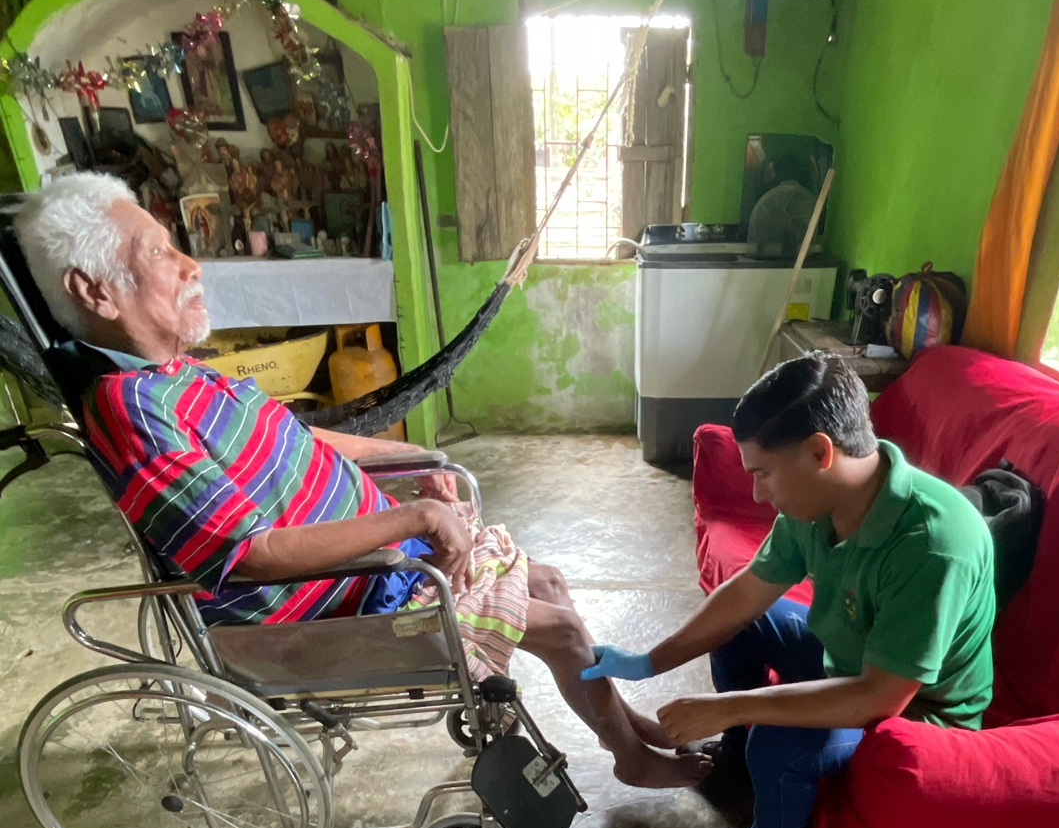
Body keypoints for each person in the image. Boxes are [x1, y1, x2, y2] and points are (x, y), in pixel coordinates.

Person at [16, 172, 703, 790]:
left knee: (548, 584)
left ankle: (626, 725)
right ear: (94, 290)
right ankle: (630, 758)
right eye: (160, 252)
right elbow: (247, 555)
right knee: (561, 628)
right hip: (338, 611)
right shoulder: (132, 408)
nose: (190, 265)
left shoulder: (176, 373)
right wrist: (412, 519)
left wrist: (416, 461)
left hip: (386, 571)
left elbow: (299, 437)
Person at [583, 352, 997, 828]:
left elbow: (879, 697)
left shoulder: (931, 544)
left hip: (918, 707)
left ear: (821, 452)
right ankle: (736, 760)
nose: (757, 494)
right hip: (848, 656)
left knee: (777, 740)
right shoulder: (818, 501)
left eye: (763, 473)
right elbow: (747, 593)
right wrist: (648, 661)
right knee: (742, 626)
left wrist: (733, 707)